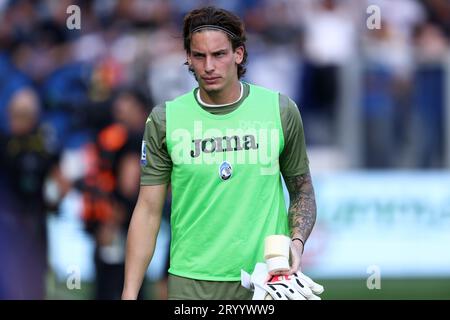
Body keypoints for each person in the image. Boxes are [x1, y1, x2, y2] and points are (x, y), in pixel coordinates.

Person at [122, 6, 317, 300]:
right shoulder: (164, 119)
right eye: (199, 56)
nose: (209, 66)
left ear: (238, 55)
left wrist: (297, 243)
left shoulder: (280, 110)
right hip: (191, 283)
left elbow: (302, 190)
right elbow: (148, 210)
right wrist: (130, 291)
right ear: (188, 57)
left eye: (219, 55)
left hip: (266, 280)